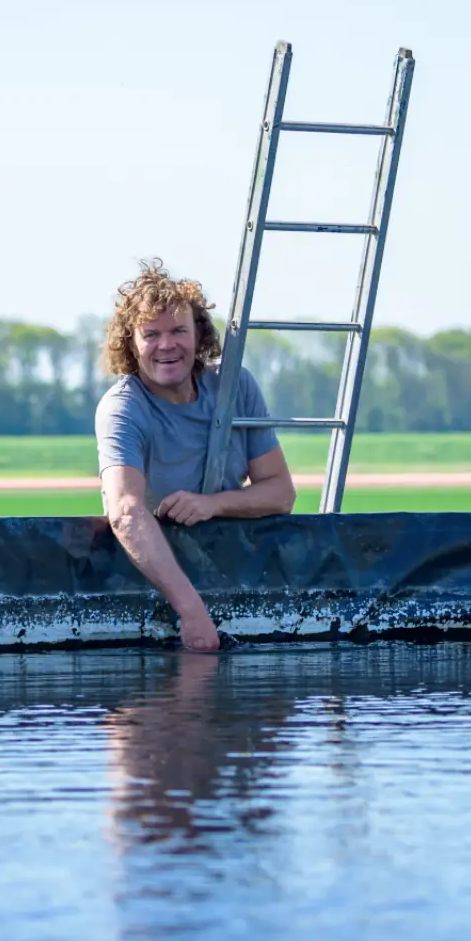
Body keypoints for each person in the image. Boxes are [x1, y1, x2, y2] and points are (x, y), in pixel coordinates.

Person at [95, 259, 296, 651]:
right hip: (155, 578)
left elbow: (281, 493)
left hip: (238, 566)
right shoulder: (123, 408)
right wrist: (191, 611)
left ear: (199, 335)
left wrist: (211, 504)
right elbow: (125, 512)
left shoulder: (235, 386)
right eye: (151, 334)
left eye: (178, 331)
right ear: (131, 346)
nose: (166, 345)